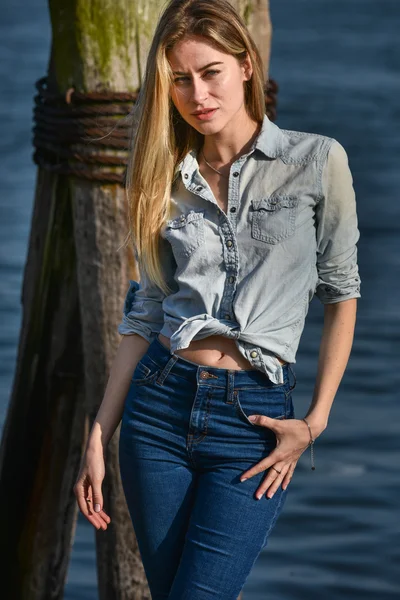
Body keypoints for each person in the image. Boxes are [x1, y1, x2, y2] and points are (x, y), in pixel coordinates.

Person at [74, 0, 361, 598]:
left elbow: (342, 293)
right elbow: (146, 311)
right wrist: (100, 432)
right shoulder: (161, 175)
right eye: (180, 79)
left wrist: (313, 422)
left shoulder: (316, 162)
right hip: (158, 411)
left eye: (211, 73)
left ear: (246, 65)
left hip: (254, 423)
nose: (197, 93)